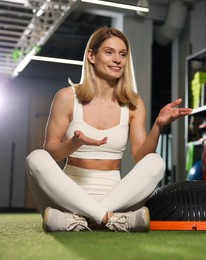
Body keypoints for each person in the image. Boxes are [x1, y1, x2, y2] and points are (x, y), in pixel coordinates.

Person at [25, 27, 192, 232]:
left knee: (156, 161)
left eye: (122, 54)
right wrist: (73, 144)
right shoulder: (66, 97)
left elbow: (141, 156)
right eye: (109, 52)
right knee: (36, 158)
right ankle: (108, 219)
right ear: (91, 56)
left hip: (115, 196)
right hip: (65, 196)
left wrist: (158, 125)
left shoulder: (133, 103)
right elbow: (51, 152)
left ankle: (79, 221)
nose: (118, 60)